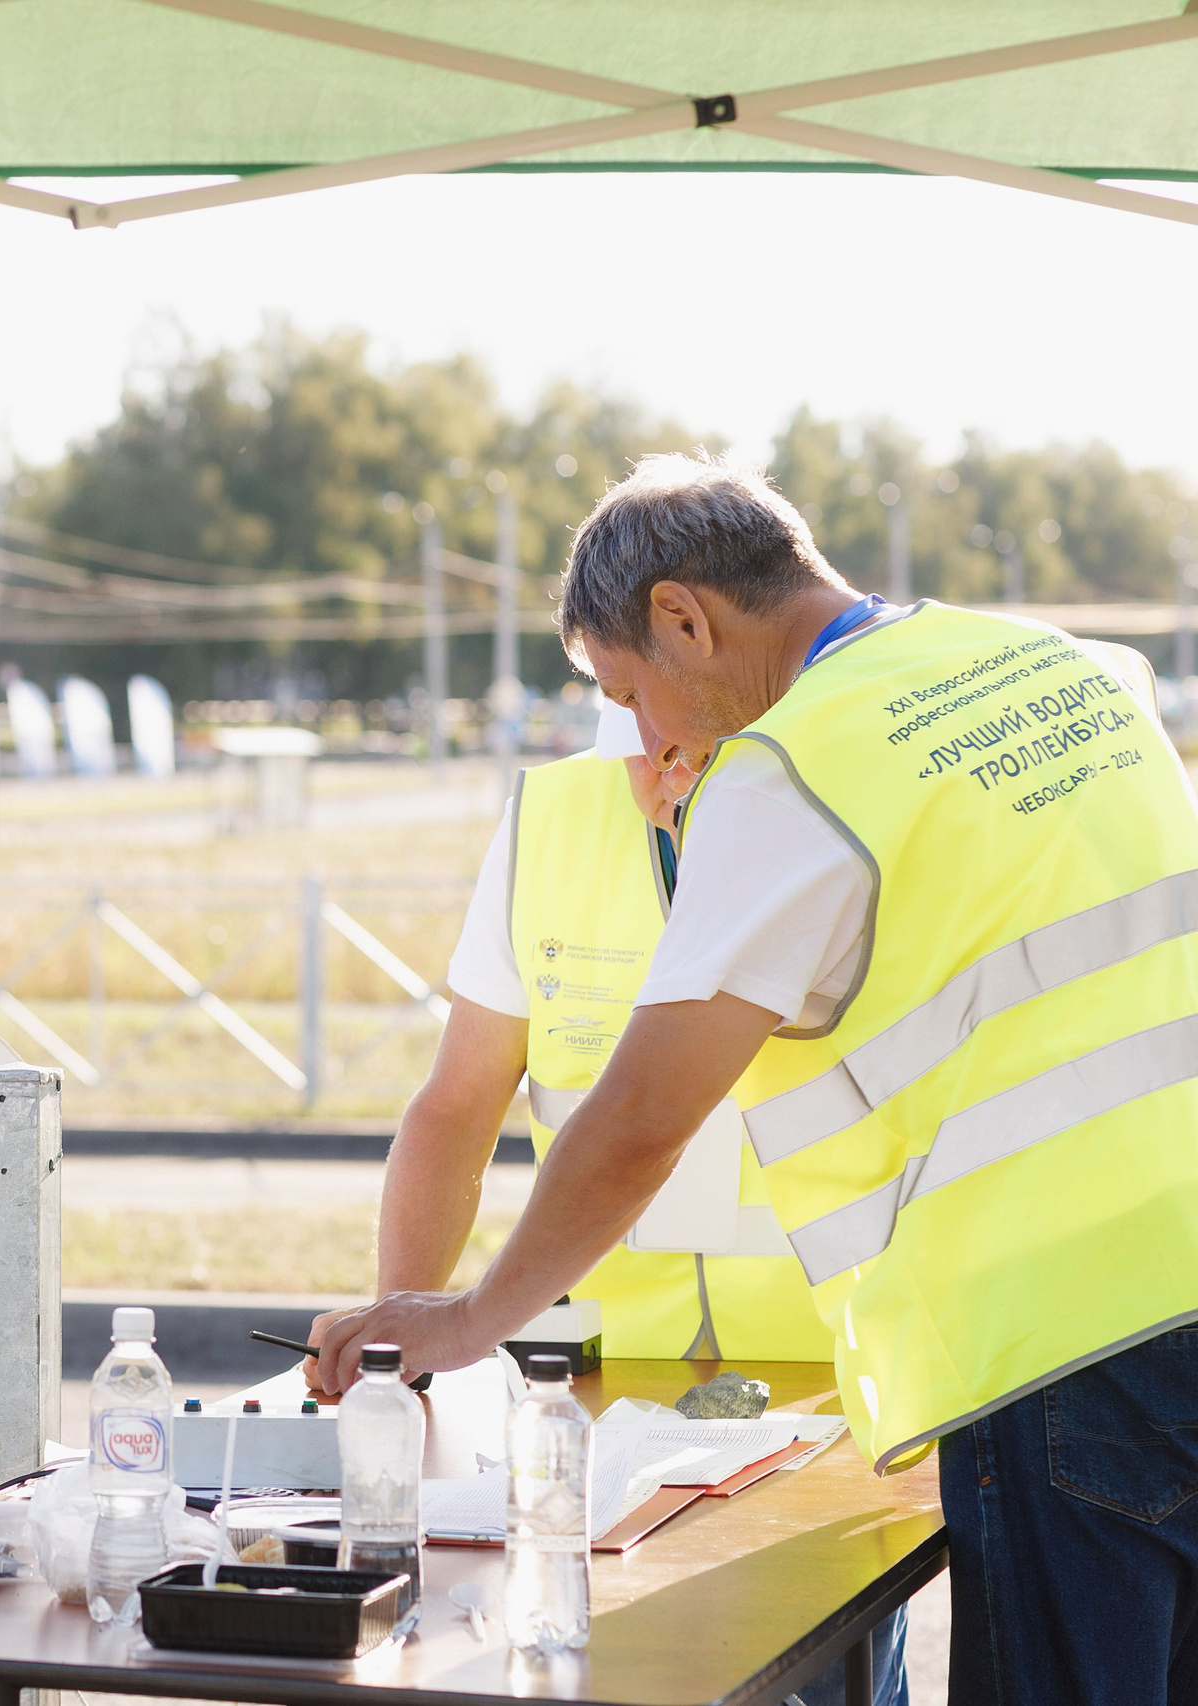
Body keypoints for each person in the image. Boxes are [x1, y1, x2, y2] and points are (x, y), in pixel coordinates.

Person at [310, 451, 1198, 1701]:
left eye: (631, 691)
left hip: (1059, 1337)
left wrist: (465, 1317)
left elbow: (637, 1119)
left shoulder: (790, 768)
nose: (648, 739)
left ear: (684, 615)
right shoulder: (1076, 670)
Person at [325, 693, 900, 1706]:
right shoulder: (549, 815)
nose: (650, 770)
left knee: (821, 1681)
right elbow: (457, 1104)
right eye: (626, 738)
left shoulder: (838, 805)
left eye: (677, 744)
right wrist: (396, 1348)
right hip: (596, 1403)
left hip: (832, 1386)